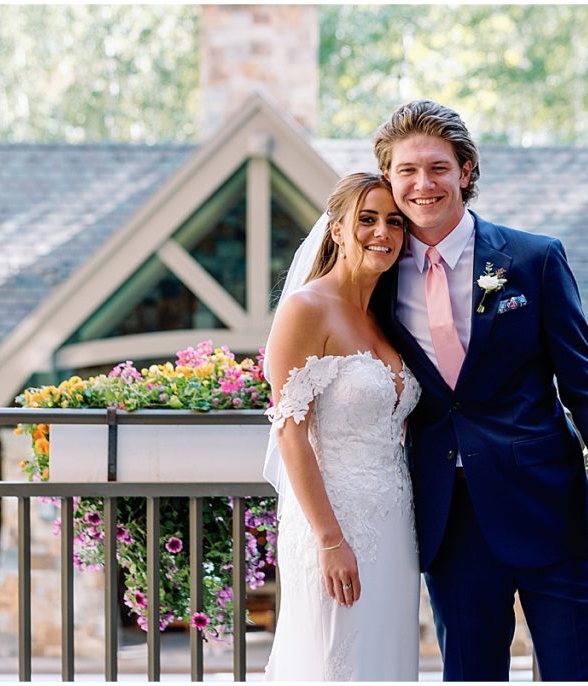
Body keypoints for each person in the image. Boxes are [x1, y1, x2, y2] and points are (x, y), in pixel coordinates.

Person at [369, 99, 588, 681]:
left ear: (465, 171)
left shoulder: (533, 259)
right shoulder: (378, 278)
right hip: (449, 520)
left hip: (552, 510)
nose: (423, 184)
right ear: (389, 180)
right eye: (407, 171)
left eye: (438, 168)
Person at [262, 172, 421, 681]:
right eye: (367, 219)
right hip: (332, 525)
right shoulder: (307, 308)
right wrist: (330, 539)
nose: (383, 233)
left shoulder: (386, 317)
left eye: (394, 222)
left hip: (396, 525)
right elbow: (290, 432)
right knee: (336, 662)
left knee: (383, 661)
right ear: (336, 229)